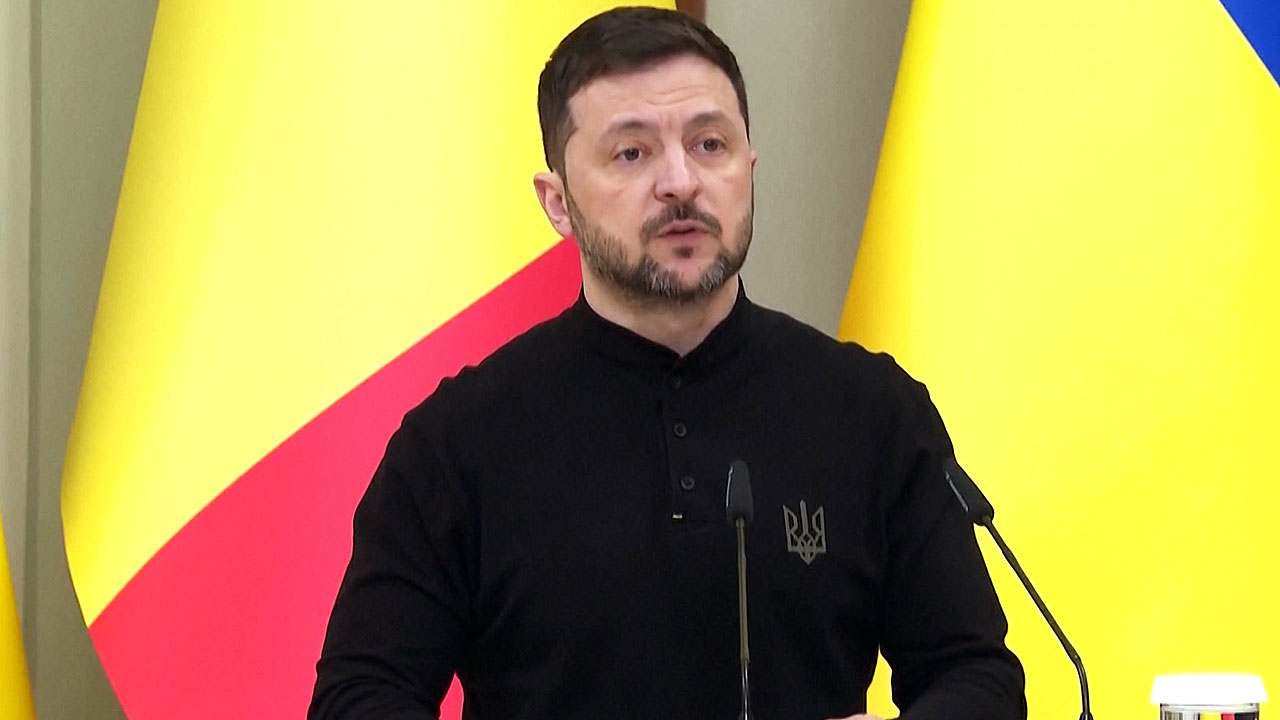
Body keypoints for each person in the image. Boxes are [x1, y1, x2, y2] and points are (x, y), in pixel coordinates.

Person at [309, 7, 1026, 720]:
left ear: (750, 168)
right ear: (558, 203)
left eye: (710, 144)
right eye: (632, 153)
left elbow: (976, 675)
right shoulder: (458, 441)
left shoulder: (870, 410)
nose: (681, 182)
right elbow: (359, 697)